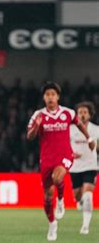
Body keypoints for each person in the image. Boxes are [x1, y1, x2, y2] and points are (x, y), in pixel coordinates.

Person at [27, 82, 95, 241]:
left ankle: (61, 199)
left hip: (65, 155)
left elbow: (80, 125)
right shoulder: (38, 115)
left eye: (53, 94)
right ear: (44, 98)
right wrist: (36, 127)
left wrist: (89, 138)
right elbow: (29, 137)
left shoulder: (68, 113)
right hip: (46, 159)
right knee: (46, 197)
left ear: (58, 97)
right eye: (47, 95)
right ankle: (52, 224)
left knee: (58, 178)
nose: (50, 97)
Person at [69, 101, 99, 235]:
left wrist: (94, 145)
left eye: (84, 112)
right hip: (75, 167)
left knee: (88, 195)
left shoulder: (96, 129)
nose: (82, 115)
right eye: (80, 112)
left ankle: (85, 226)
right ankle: (79, 201)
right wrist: (71, 154)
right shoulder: (71, 129)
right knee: (77, 196)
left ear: (90, 115)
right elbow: (64, 146)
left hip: (91, 166)